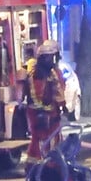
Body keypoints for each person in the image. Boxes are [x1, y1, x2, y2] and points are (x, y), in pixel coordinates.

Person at [23, 39, 66, 167]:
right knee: (53, 138)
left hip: (33, 114)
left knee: (36, 138)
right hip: (50, 113)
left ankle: (33, 164)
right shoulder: (55, 73)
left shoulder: (31, 72)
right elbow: (59, 93)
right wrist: (64, 107)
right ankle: (51, 165)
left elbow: (25, 93)